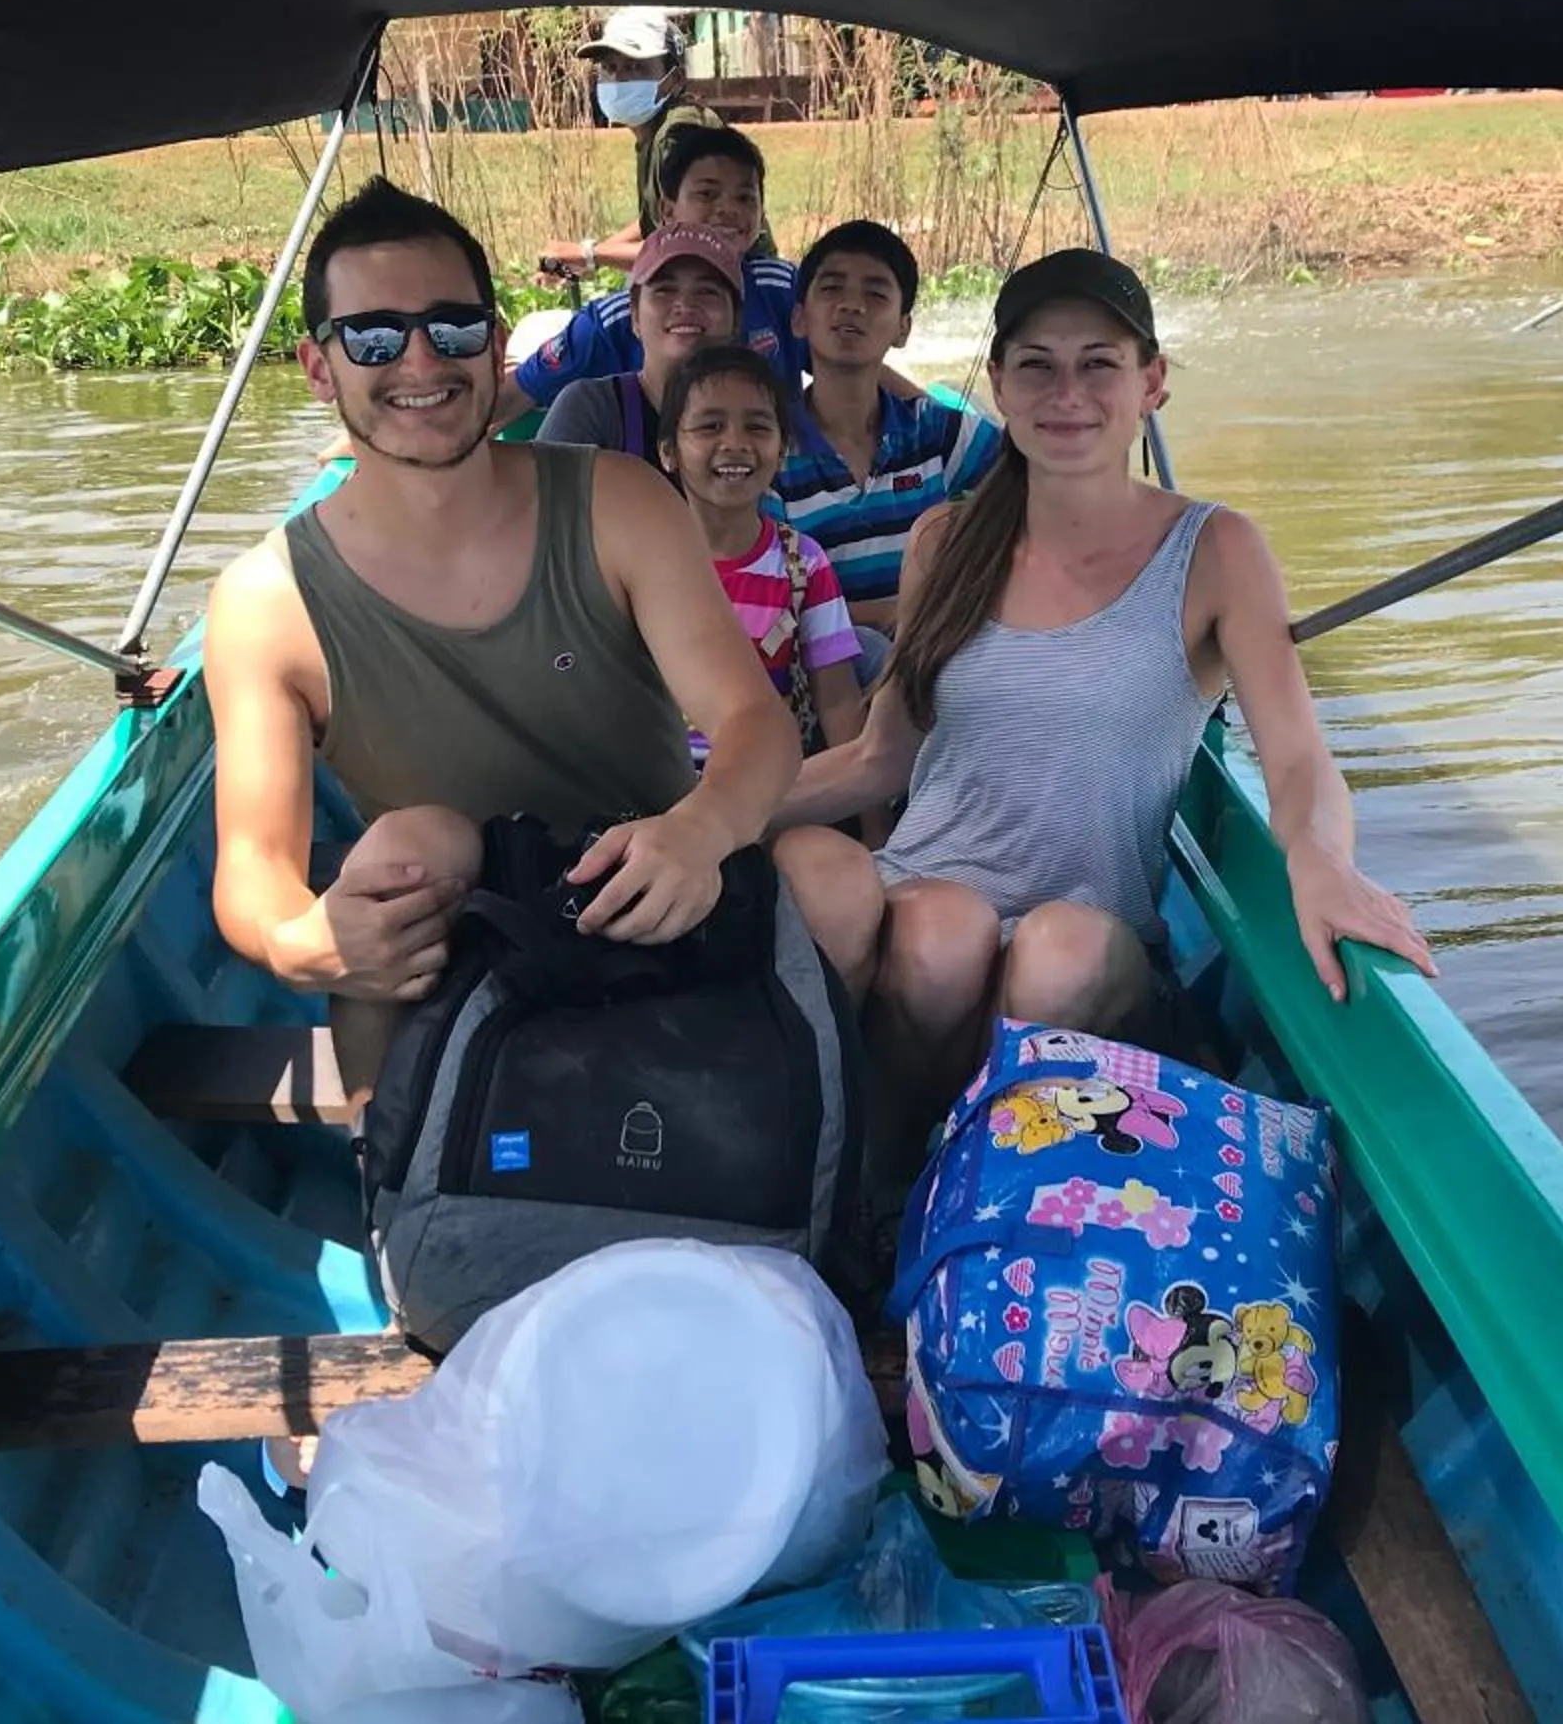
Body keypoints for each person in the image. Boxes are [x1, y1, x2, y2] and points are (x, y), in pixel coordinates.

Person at [200, 178, 882, 1113]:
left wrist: (700, 829)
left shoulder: (617, 502)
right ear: (321, 369)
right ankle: (382, 1156)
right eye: (371, 337)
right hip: (461, 929)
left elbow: (751, 722)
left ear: (494, 342)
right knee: (406, 845)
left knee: (839, 878)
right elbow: (254, 869)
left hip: (653, 884)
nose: (418, 362)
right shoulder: (263, 603)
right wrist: (300, 941)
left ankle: (826, 1141)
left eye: (451, 328)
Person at [776, 246, 1439, 1182]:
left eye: (1100, 363)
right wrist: (698, 817)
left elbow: (1294, 759)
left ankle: (993, 1190)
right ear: (999, 383)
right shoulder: (947, 542)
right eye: (1037, 365)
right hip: (929, 897)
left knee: (1054, 956)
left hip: (1097, 927)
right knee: (937, 940)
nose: (1068, 392)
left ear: (1152, 383)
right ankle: (888, 1187)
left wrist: (1323, 864)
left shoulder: (1216, 549)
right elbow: (881, 757)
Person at [776, 219, 1004, 681]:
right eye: (832, 288)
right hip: (822, 678)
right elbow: (770, 604)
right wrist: (892, 611)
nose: (851, 306)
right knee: (868, 649)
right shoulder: (771, 450)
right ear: (800, 318)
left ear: (903, 328)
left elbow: (1029, 482)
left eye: (876, 294)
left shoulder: (934, 434)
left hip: (931, 653)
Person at [656, 342, 866, 765]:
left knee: (816, 838)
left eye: (757, 427)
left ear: (783, 448)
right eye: (710, 426)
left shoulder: (802, 565)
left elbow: (838, 701)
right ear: (668, 451)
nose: (735, 443)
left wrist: (875, 828)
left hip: (770, 791)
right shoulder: (639, 563)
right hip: (661, 795)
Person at [513, 122, 807, 405]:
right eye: (707, 194)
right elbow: (514, 395)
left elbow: (845, 374)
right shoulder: (612, 323)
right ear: (667, 210)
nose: (728, 210)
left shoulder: (783, 290)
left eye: (745, 198)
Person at [533, 226, 742, 464]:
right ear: (634, 317)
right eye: (664, 290)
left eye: (707, 291)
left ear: (736, 319)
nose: (685, 304)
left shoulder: (760, 416)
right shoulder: (592, 410)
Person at [563, 5, 733, 270]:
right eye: (609, 67)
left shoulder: (679, 134)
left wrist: (589, 254)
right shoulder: (653, 133)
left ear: (673, 78)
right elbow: (653, 222)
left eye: (635, 67)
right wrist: (589, 256)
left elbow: (685, 246)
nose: (619, 79)